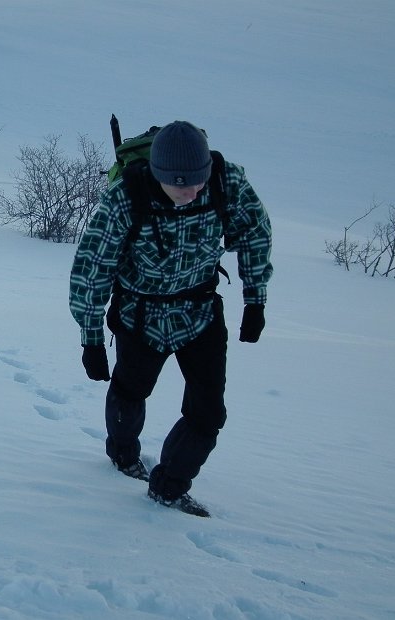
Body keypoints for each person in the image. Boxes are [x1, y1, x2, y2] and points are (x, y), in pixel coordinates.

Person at [69, 121, 272, 517]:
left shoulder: (224, 181)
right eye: (181, 185)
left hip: (199, 313)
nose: (191, 192)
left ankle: (170, 487)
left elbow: (255, 232)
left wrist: (255, 300)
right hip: (140, 315)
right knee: (130, 391)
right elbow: (91, 267)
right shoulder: (126, 197)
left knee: (209, 412)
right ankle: (125, 455)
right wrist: (91, 338)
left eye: (197, 183)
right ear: (159, 174)